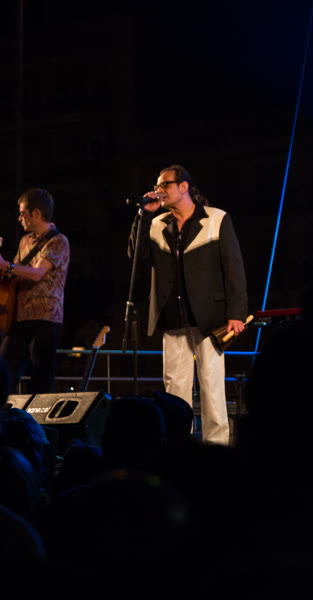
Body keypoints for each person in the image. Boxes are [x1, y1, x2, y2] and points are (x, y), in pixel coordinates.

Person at [128, 165, 247, 445]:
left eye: (164, 185)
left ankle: (216, 448)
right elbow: (136, 255)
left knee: (212, 386)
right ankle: (179, 447)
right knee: (175, 389)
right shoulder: (157, 224)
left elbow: (234, 269)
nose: (159, 191)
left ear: (183, 187)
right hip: (172, 317)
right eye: (157, 186)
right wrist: (144, 216)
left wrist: (236, 313)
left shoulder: (216, 219)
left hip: (209, 318)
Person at [0, 188, 70, 394]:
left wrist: (5, 265)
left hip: (45, 317)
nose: (19, 218)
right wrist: (0, 277)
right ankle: (5, 411)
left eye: (23, 213)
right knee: (4, 373)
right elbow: (14, 273)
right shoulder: (25, 241)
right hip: (20, 316)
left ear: (37, 213)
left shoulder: (58, 241)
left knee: (40, 379)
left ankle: (39, 416)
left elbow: (37, 273)